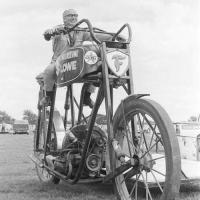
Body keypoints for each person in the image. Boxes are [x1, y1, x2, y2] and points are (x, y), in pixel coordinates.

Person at [37, 9, 113, 108]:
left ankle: (86, 97)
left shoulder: (81, 32)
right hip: (60, 64)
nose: (73, 18)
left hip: (75, 64)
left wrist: (114, 37)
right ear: (64, 19)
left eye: (75, 16)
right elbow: (47, 35)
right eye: (70, 16)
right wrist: (52, 32)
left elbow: (97, 36)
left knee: (96, 66)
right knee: (49, 70)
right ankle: (48, 97)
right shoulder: (58, 30)